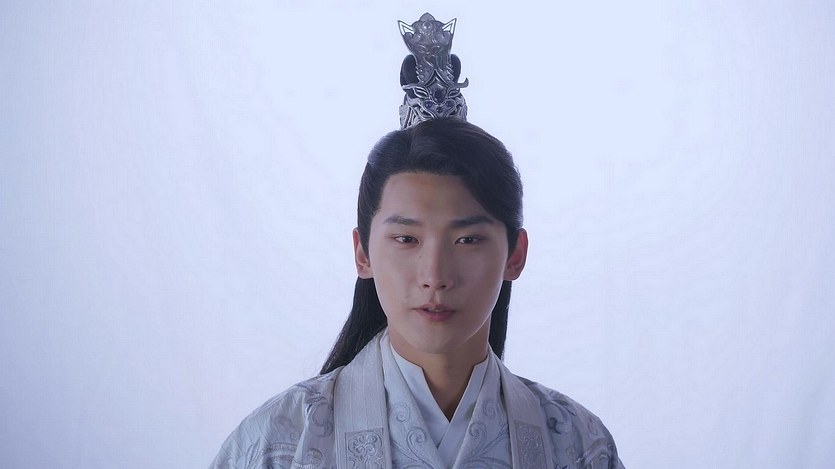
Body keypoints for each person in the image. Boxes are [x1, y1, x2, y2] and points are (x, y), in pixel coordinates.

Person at [210, 13, 623, 469]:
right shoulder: (275, 445)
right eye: (406, 238)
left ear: (516, 255)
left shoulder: (577, 446)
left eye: (468, 239)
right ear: (363, 253)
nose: (435, 276)